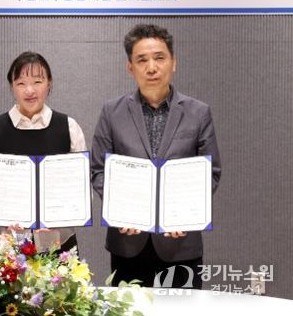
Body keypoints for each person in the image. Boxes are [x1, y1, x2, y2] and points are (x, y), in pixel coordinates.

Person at [91, 24, 221, 289]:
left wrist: (184, 214)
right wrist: (121, 211)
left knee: (183, 309)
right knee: (129, 308)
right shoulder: (112, 112)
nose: (151, 67)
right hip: (128, 242)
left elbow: (211, 173)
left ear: (173, 62)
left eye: (159, 58)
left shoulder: (198, 112)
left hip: (181, 242)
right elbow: (98, 169)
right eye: (142, 60)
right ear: (130, 67)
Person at [0, 51, 87, 251]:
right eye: (21, 83)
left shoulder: (69, 127)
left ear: (49, 83)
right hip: (5, 244)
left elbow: (81, 186)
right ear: (12, 87)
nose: (29, 90)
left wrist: (61, 218)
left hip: (58, 243)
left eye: (37, 82)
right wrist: (0, 215)